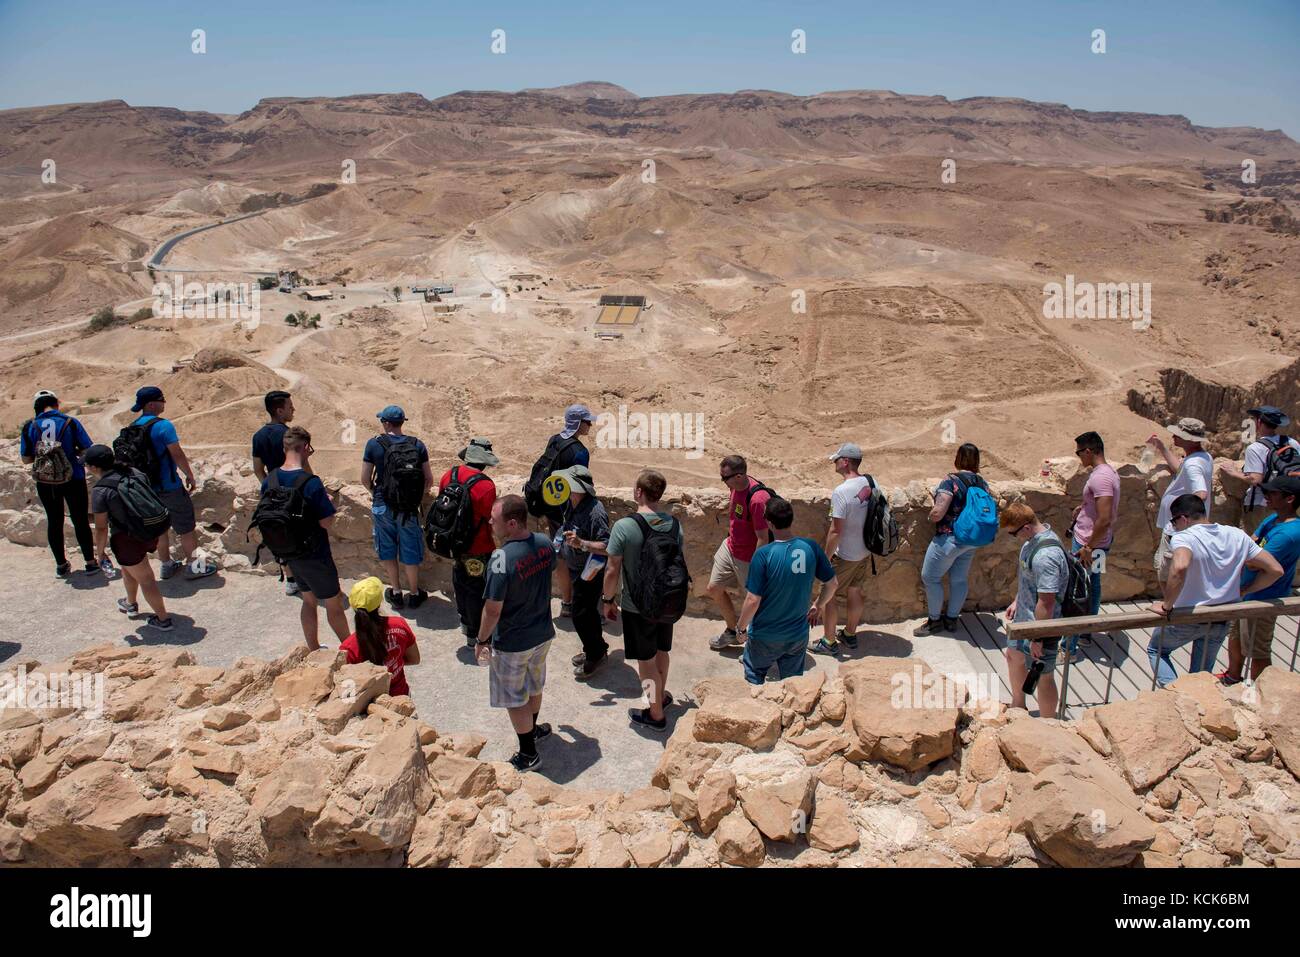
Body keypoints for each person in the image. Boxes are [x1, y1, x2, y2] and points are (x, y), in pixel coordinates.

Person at [1148, 494, 1282, 688]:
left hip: (1188, 616)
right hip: (1222, 617)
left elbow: (1179, 567)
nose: (1173, 526)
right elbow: (1275, 570)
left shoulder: (1184, 537)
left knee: (1156, 650)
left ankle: (1174, 694)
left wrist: (1166, 605)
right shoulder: (1236, 534)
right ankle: (1191, 698)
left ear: (1183, 519)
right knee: (1200, 675)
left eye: (1173, 521)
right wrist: (1244, 591)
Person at [477, 495, 556, 772]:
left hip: (513, 641)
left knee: (514, 698)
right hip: (543, 633)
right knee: (534, 685)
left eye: (494, 519)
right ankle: (532, 730)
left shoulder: (500, 559)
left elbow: (493, 609)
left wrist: (482, 640)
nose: (489, 522)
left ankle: (528, 754)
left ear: (511, 524)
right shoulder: (545, 544)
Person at [602, 469, 683, 732]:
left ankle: (655, 714)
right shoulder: (674, 525)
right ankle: (661, 697)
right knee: (662, 652)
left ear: (639, 492)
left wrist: (607, 600)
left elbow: (612, 569)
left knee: (645, 663)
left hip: (637, 607)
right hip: (667, 603)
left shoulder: (625, 526)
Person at [263, 426, 350, 651]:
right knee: (334, 603)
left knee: (309, 601)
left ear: (284, 447)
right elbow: (326, 522)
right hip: (315, 553)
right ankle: (351, 650)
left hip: (289, 554)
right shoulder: (310, 483)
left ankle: (313, 648)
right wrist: (329, 504)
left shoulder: (270, 480)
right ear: (305, 448)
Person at [735, 497, 837, 684]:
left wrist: (740, 628)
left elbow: (752, 600)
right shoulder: (811, 547)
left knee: (753, 677)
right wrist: (818, 605)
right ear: (791, 519)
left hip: (765, 636)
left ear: (769, 523)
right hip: (797, 636)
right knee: (792, 685)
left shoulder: (763, 554)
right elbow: (832, 584)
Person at [125, 386, 218, 580]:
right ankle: (194, 567)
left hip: (146, 489)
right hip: (169, 486)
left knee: (160, 528)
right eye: (162, 400)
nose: (164, 403)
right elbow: (176, 453)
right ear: (152, 404)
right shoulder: (163, 426)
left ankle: (166, 565)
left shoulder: (132, 427)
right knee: (186, 528)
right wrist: (190, 475)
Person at [1220, 477, 1300, 684]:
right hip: (1247, 593)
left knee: (1258, 649)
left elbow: (1255, 562)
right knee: (1236, 635)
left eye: (1273, 493)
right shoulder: (1272, 520)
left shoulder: (1290, 533)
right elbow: (1252, 542)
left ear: (1290, 498)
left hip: (1264, 599)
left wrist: (1244, 556)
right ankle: (1233, 677)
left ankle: (1262, 692)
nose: (1267, 496)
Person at [84, 445, 173, 631]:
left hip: (127, 538)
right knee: (128, 568)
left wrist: (99, 553)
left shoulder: (101, 490)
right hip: (149, 529)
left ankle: (163, 619)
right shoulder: (134, 472)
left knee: (146, 578)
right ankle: (130, 603)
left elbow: (101, 527)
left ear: (94, 468)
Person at [525, 404, 595, 617]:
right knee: (576, 555)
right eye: (587, 421)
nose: (590, 425)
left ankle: (566, 602)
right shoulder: (580, 452)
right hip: (569, 510)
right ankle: (579, 602)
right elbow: (581, 485)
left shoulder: (555, 440)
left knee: (561, 556)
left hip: (550, 507)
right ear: (578, 423)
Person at [18, 390, 97, 576]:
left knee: (54, 521)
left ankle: (61, 565)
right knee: (80, 520)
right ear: (56, 404)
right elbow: (87, 449)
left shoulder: (30, 426)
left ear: (36, 407)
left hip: (46, 481)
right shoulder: (70, 422)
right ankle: (90, 562)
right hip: (73, 478)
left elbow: (26, 459)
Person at [361, 405, 433, 609]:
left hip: (383, 506)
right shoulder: (417, 445)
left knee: (388, 549)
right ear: (402, 422)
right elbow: (428, 479)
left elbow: (365, 478)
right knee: (410, 548)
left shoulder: (373, 445)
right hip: (409, 508)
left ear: (385, 423)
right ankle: (414, 593)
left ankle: (396, 591)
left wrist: (376, 493)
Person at [1000, 503, 1067, 718]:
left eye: (1013, 533)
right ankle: (1018, 707)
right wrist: (1018, 601)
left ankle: (1048, 724)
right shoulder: (1031, 543)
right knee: (1013, 656)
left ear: (1026, 527)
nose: (1013, 537)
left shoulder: (1045, 556)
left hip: (1041, 626)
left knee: (1043, 675)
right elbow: (1030, 580)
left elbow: (1046, 602)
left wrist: (1038, 637)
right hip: (1024, 619)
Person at [915, 443, 986, 636]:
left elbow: (938, 512)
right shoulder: (981, 483)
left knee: (930, 577)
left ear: (958, 458)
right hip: (972, 539)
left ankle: (934, 621)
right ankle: (952, 619)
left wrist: (930, 517)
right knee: (959, 579)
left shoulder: (951, 481)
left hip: (950, 539)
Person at [437, 438, 499, 648]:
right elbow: (491, 519)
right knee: (476, 590)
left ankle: (465, 623)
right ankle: (476, 635)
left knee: (460, 583)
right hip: (478, 547)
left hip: (454, 542)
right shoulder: (485, 485)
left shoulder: (449, 475)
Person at [707, 455, 773, 651]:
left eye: (724, 478)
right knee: (714, 588)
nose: (722, 481)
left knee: (755, 605)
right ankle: (731, 631)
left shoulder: (758, 500)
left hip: (748, 559)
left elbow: (763, 538)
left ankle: (756, 647)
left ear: (739, 476)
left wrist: (756, 567)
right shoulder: (734, 486)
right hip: (730, 547)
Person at [552, 464, 612, 679]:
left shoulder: (595, 512)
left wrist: (581, 543)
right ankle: (596, 648)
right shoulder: (572, 504)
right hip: (577, 568)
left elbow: (607, 546)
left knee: (580, 615)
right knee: (587, 615)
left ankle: (594, 655)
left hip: (590, 571)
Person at [812, 442, 870, 656]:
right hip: (865, 551)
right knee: (855, 591)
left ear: (846, 462)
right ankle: (850, 634)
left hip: (845, 554)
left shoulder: (841, 492)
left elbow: (836, 531)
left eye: (837, 459)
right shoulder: (869, 483)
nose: (834, 463)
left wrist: (825, 559)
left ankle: (828, 641)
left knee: (829, 595)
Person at [1069, 431, 1120, 651]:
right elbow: (1101, 508)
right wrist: (1084, 508)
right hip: (1100, 543)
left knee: (1077, 589)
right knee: (1094, 584)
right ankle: (1086, 632)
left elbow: (1105, 517)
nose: (1079, 457)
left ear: (1088, 451)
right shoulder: (1109, 473)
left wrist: (1088, 547)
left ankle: (1068, 645)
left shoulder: (1101, 477)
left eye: (1079, 452)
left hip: (1088, 544)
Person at [1148, 418, 1213, 584]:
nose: (1173, 436)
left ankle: (1168, 605)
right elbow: (1181, 470)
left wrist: (1180, 516)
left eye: (1178, 434)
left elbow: (1201, 493)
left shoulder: (1193, 464)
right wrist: (1162, 448)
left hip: (1178, 528)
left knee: (1165, 569)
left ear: (1190, 439)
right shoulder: (1202, 457)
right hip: (1182, 527)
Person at [1219, 406, 1299, 534]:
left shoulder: (1255, 448)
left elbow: (1255, 479)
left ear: (1259, 422)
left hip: (1262, 504)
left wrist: (1235, 473)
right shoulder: (1292, 442)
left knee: (1258, 543)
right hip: (1287, 502)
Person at [251, 389, 299, 595]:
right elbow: (302, 466)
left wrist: (270, 487)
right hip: (294, 492)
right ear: (280, 411)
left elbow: (257, 469)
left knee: (280, 534)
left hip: (274, 494)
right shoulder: (289, 436)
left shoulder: (258, 436)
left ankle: (290, 579)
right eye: (290, 407)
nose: (293, 409)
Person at [341, 576, 421, 697]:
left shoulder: (348, 648)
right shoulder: (399, 625)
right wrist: (392, 664)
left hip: (372, 707)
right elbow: (414, 659)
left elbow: (348, 691)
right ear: (379, 602)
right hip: (401, 696)